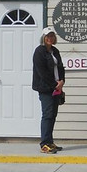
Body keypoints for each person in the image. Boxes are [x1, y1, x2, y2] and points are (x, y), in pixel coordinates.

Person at [31, 26, 66, 154]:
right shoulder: (39, 52)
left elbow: (61, 67)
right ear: (43, 38)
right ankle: (44, 143)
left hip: (56, 87)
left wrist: (62, 81)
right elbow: (42, 72)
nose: (50, 38)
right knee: (47, 115)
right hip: (46, 89)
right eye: (47, 36)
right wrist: (54, 84)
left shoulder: (55, 51)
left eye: (52, 36)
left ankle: (50, 142)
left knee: (53, 115)